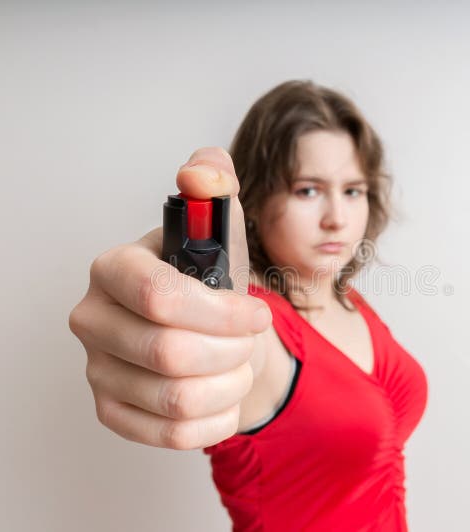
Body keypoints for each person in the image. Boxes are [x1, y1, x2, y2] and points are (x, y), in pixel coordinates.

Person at [68, 80, 429, 531]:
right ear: (257, 199)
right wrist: (190, 322)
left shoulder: (350, 301)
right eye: (308, 190)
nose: (337, 216)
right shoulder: (254, 323)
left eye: (353, 190)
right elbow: (236, 347)